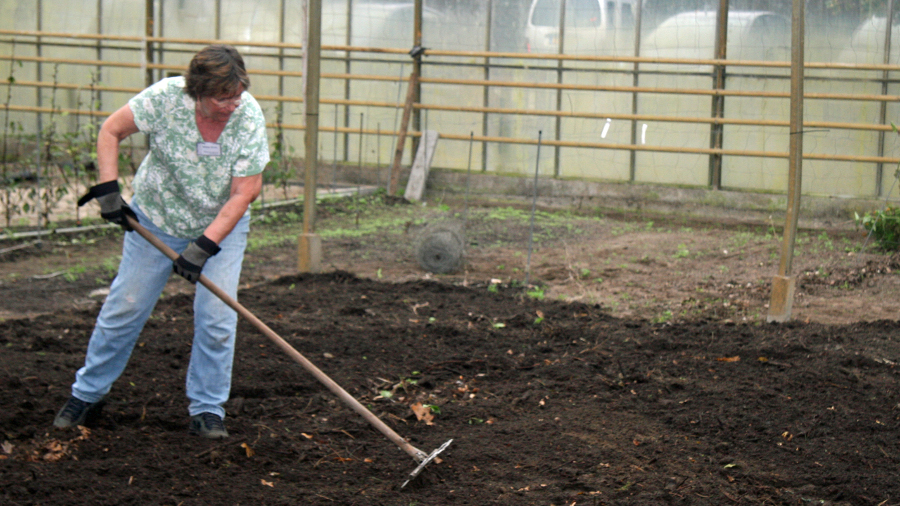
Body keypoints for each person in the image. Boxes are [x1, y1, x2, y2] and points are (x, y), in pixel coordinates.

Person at [53, 44, 269, 439]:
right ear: (198, 92)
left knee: (217, 318)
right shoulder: (166, 99)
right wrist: (107, 191)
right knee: (126, 306)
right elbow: (111, 130)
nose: (233, 104)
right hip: (157, 218)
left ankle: (207, 409)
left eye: (237, 93)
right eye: (223, 97)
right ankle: (88, 394)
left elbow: (245, 191)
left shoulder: (248, 116)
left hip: (221, 225)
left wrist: (204, 246)